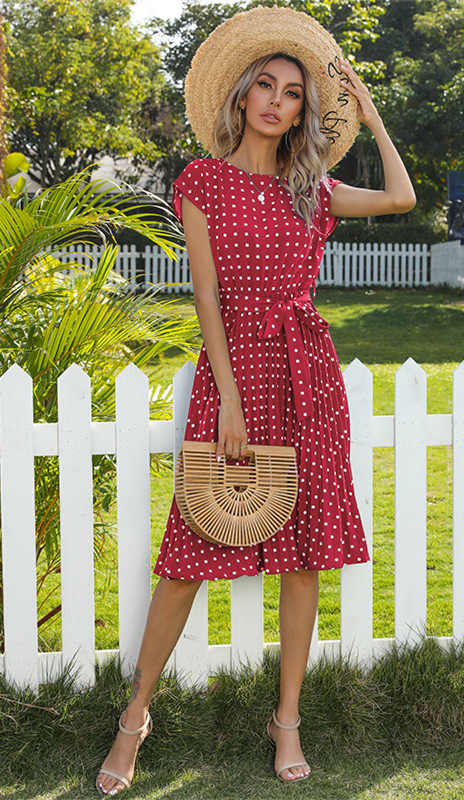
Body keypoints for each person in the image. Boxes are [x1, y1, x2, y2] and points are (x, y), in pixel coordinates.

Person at [95, 5, 416, 795]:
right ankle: (134, 717)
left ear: (305, 111)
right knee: (188, 552)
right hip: (233, 372)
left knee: (303, 559)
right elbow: (205, 295)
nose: (276, 101)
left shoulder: (315, 189)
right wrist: (229, 401)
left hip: (308, 376)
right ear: (241, 96)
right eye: (264, 86)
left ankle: (287, 721)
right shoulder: (201, 180)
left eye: (293, 94)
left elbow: (403, 199)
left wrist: (369, 116)